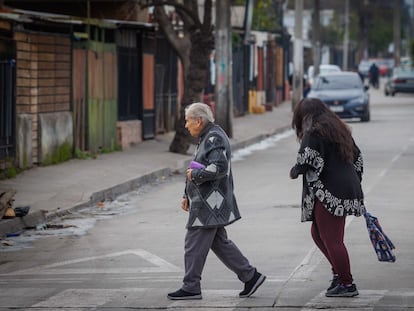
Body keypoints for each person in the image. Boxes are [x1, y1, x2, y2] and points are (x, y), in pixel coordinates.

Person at [167, 102, 266, 300]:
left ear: (198, 120)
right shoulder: (208, 136)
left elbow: (218, 167)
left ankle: (191, 287)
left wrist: (195, 174)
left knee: (193, 243)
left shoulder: (214, 138)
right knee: (220, 243)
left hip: (209, 204)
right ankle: (250, 276)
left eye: (188, 121)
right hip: (207, 202)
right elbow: (201, 165)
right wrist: (186, 194)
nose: (186, 126)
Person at [289, 98, 366, 298]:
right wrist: (352, 181)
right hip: (346, 187)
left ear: (304, 117)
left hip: (331, 191)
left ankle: (347, 283)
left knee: (333, 239)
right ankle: (338, 275)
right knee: (318, 233)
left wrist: (295, 170)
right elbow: (358, 157)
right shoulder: (339, 129)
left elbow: (307, 160)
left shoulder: (314, 132)